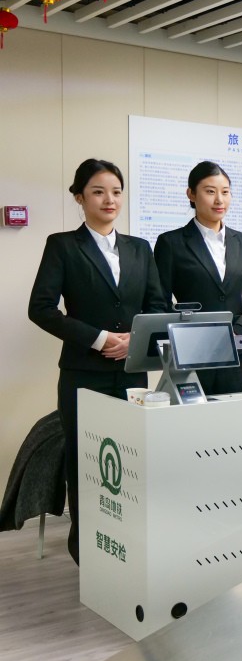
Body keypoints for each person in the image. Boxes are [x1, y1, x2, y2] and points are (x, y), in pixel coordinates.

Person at [28, 158, 167, 564]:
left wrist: (135, 340)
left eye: (117, 192)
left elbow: (158, 305)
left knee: (132, 458)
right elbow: (41, 309)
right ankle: (86, 550)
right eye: (98, 191)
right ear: (79, 197)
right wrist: (100, 339)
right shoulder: (62, 245)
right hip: (83, 375)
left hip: (131, 372)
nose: (110, 200)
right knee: (86, 460)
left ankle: (127, 545)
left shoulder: (140, 248)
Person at [154, 161, 242, 396]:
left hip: (235, 353)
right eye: (210, 191)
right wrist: (186, 335)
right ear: (191, 194)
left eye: (225, 192)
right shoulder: (171, 243)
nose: (219, 200)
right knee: (192, 418)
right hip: (191, 353)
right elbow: (159, 301)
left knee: (233, 416)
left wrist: (240, 331)